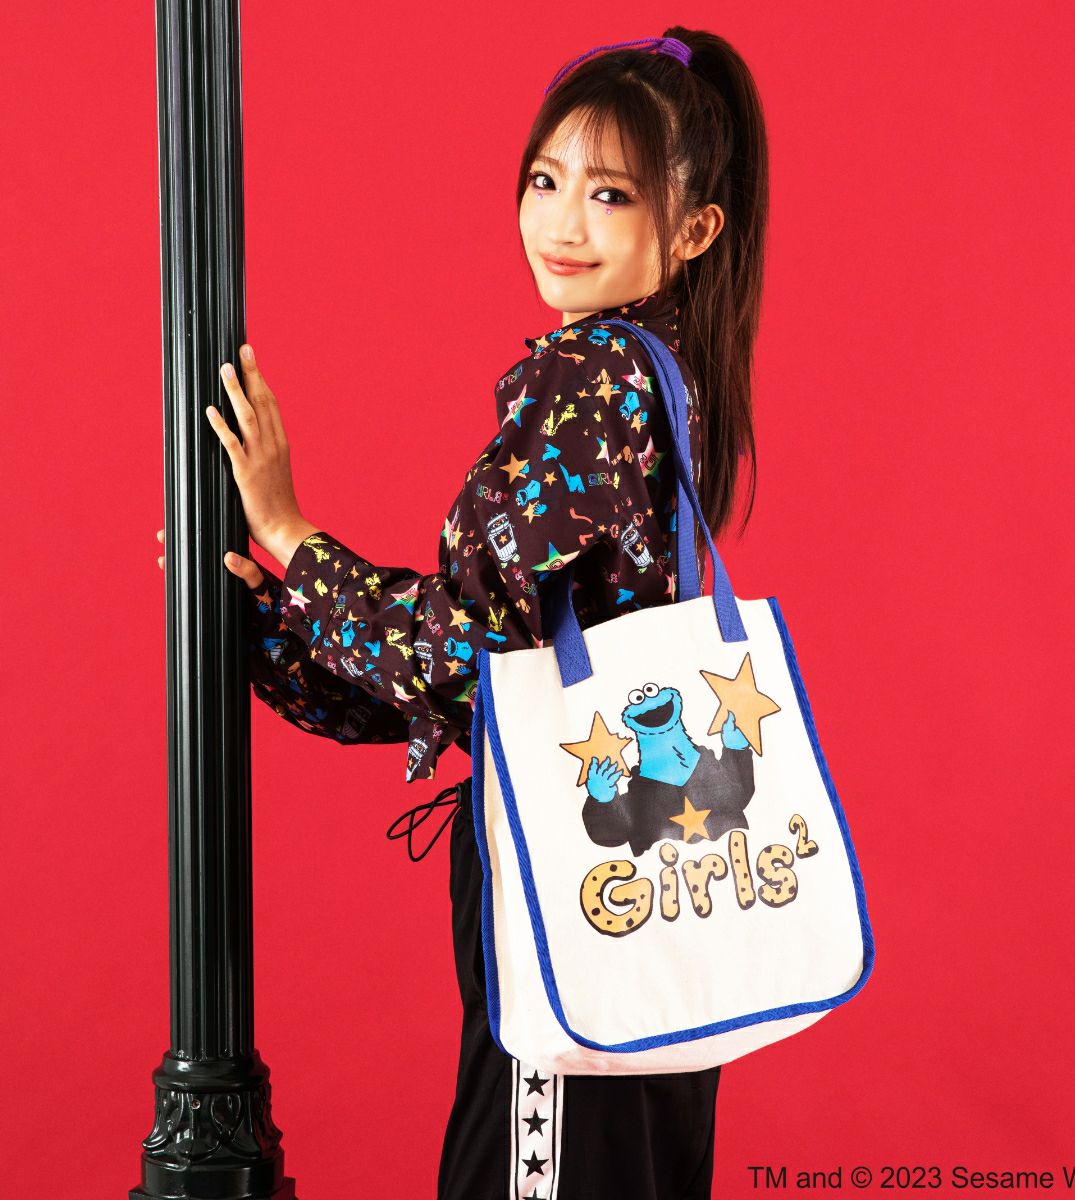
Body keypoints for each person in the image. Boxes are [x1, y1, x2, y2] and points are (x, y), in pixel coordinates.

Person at [156, 26, 767, 1199]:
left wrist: (290, 535)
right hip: (654, 898)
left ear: (694, 231)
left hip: (576, 893)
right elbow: (501, 670)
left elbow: (460, 651)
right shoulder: (670, 376)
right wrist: (275, 626)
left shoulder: (591, 378)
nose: (562, 222)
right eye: (546, 180)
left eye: (610, 194)